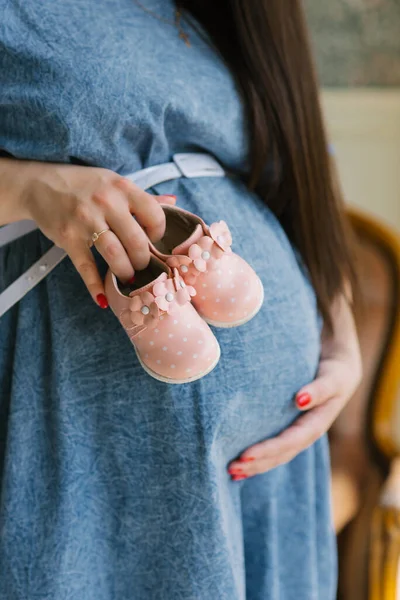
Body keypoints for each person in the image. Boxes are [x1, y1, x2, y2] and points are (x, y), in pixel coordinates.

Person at [0, 1, 362, 598]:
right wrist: (29, 187)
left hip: (270, 476)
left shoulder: (231, 14)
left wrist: (341, 339)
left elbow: (302, 178)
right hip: (98, 445)